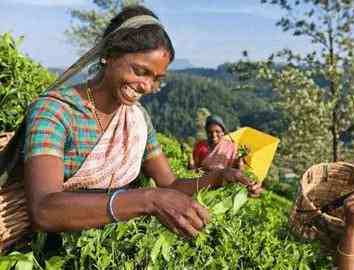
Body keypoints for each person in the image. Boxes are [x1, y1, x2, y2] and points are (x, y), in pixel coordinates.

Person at [20, 5, 260, 239]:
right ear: (109, 55)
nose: (147, 86)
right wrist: (147, 199)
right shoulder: (55, 112)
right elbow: (44, 209)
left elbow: (171, 183)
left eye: (156, 78)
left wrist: (219, 177)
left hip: (103, 246)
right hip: (46, 251)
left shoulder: (137, 119)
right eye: (140, 71)